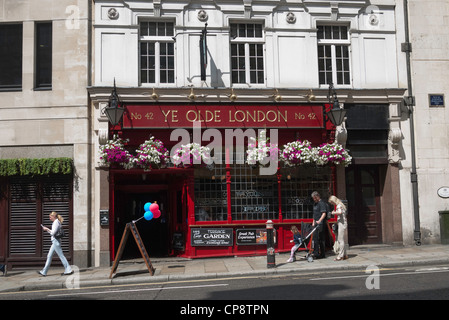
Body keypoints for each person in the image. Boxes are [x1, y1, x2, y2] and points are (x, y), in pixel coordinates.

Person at [38, 211, 73, 277]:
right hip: (55, 241)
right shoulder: (56, 222)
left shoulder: (56, 222)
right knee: (49, 256)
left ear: (53, 216)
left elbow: (53, 233)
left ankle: (68, 269)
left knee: (61, 256)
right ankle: (44, 272)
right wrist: (48, 230)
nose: (49, 218)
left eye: (50, 217)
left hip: (56, 241)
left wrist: (47, 229)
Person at [329, 195, 348, 261]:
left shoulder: (338, 205)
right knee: (342, 240)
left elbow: (339, 212)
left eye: (332, 202)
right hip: (343, 223)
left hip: (341, 224)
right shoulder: (341, 204)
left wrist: (333, 213)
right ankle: (345, 255)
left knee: (340, 240)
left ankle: (340, 256)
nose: (332, 204)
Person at [311, 191, 327, 259]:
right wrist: (313, 221)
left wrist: (319, 221)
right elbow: (314, 214)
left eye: (314, 198)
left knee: (320, 239)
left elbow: (324, 213)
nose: (314, 199)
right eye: (313, 198)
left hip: (320, 224)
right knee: (315, 239)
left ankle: (322, 254)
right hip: (315, 224)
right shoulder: (315, 204)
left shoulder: (322, 203)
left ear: (317, 196)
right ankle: (316, 252)